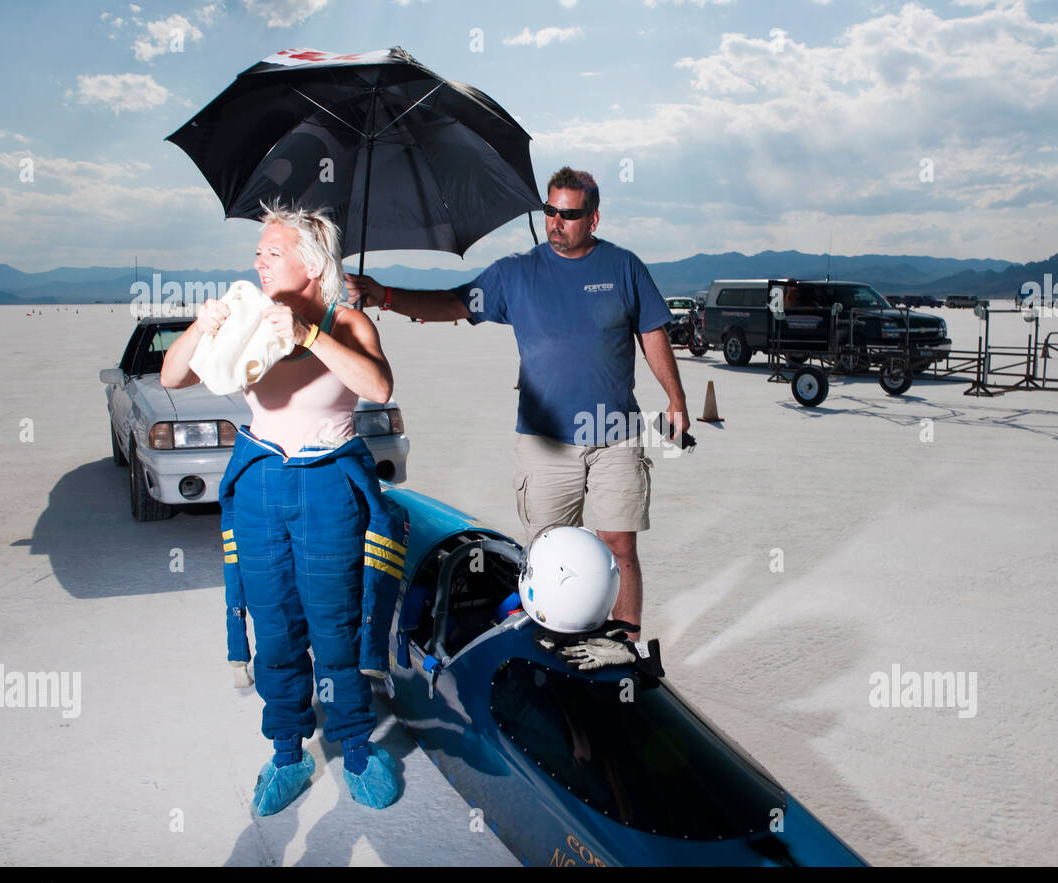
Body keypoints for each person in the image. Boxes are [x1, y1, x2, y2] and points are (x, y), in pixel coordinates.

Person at [345, 167, 687, 674]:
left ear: (593, 217)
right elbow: (454, 303)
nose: (556, 223)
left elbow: (653, 332)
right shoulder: (515, 274)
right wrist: (384, 295)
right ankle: (550, 653)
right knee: (550, 554)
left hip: (615, 436)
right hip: (545, 444)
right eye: (550, 211)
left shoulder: (623, 267)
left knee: (619, 546)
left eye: (569, 215)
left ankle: (628, 648)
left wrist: (675, 401)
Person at [162, 203, 404, 816]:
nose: (258, 260)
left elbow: (378, 388)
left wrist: (311, 334)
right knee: (274, 628)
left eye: (273, 251)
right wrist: (201, 325)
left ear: (311, 262)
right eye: (259, 251)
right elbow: (173, 375)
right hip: (263, 483)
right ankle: (288, 751)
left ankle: (354, 747)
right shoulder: (249, 322)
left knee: (334, 624)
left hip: (328, 486)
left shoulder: (349, 323)